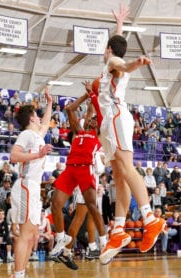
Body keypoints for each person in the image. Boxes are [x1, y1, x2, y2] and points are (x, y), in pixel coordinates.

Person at [85, 5, 165, 264]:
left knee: (127, 170)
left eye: (106, 47)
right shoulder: (111, 57)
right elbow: (118, 50)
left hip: (117, 118)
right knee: (118, 176)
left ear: (107, 49)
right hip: (109, 123)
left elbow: (121, 62)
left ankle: (150, 218)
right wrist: (119, 25)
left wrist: (135, 63)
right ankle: (118, 229)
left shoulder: (112, 61)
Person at [49, 90, 107, 265]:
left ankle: (102, 242)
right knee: (55, 203)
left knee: (90, 208)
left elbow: (99, 113)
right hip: (70, 169)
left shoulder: (99, 135)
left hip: (85, 170)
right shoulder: (79, 132)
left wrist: (94, 97)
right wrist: (85, 95)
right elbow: (70, 109)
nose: (91, 120)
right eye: (90, 119)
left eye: (94, 120)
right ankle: (61, 239)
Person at [7, 88, 53, 278]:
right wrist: (38, 154)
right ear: (31, 117)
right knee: (25, 236)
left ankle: (20, 277)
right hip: (26, 185)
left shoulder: (36, 133)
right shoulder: (26, 134)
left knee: (33, 235)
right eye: (37, 113)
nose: (39, 116)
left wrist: (50, 102)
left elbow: (45, 124)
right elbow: (14, 156)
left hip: (34, 187)